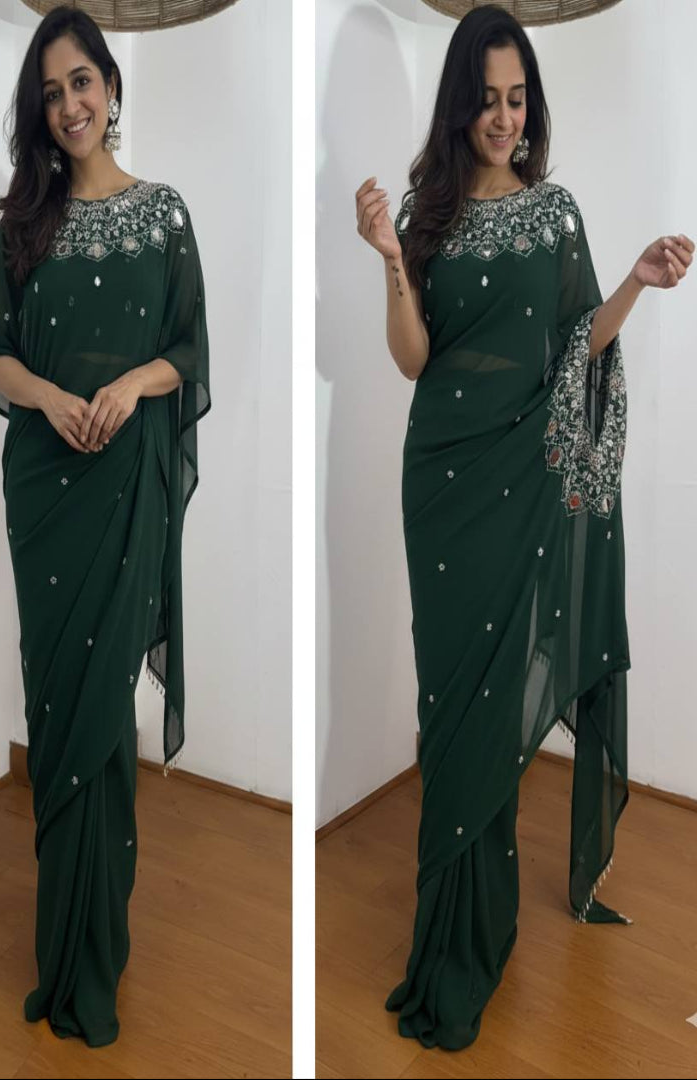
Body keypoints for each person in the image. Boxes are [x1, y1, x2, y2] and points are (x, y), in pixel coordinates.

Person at [355, 3, 692, 1052]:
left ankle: (480, 936)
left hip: (521, 483)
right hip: (443, 485)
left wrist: (634, 281)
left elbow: (575, 342)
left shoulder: (556, 214)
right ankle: (447, 940)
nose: (505, 118)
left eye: (518, 100)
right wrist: (388, 255)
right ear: (460, 106)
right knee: (451, 702)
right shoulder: (429, 214)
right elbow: (413, 358)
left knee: (495, 705)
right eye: (488, 100)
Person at [0, 6, 210, 1047]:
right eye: (51, 91)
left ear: (111, 87)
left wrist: (127, 385)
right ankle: (58, 952)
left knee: (103, 719)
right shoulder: (24, 222)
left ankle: (94, 958)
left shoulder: (164, 215)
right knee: (58, 708)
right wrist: (48, 397)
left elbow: (189, 350)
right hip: (46, 496)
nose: (69, 104)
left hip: (124, 492)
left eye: (82, 81)